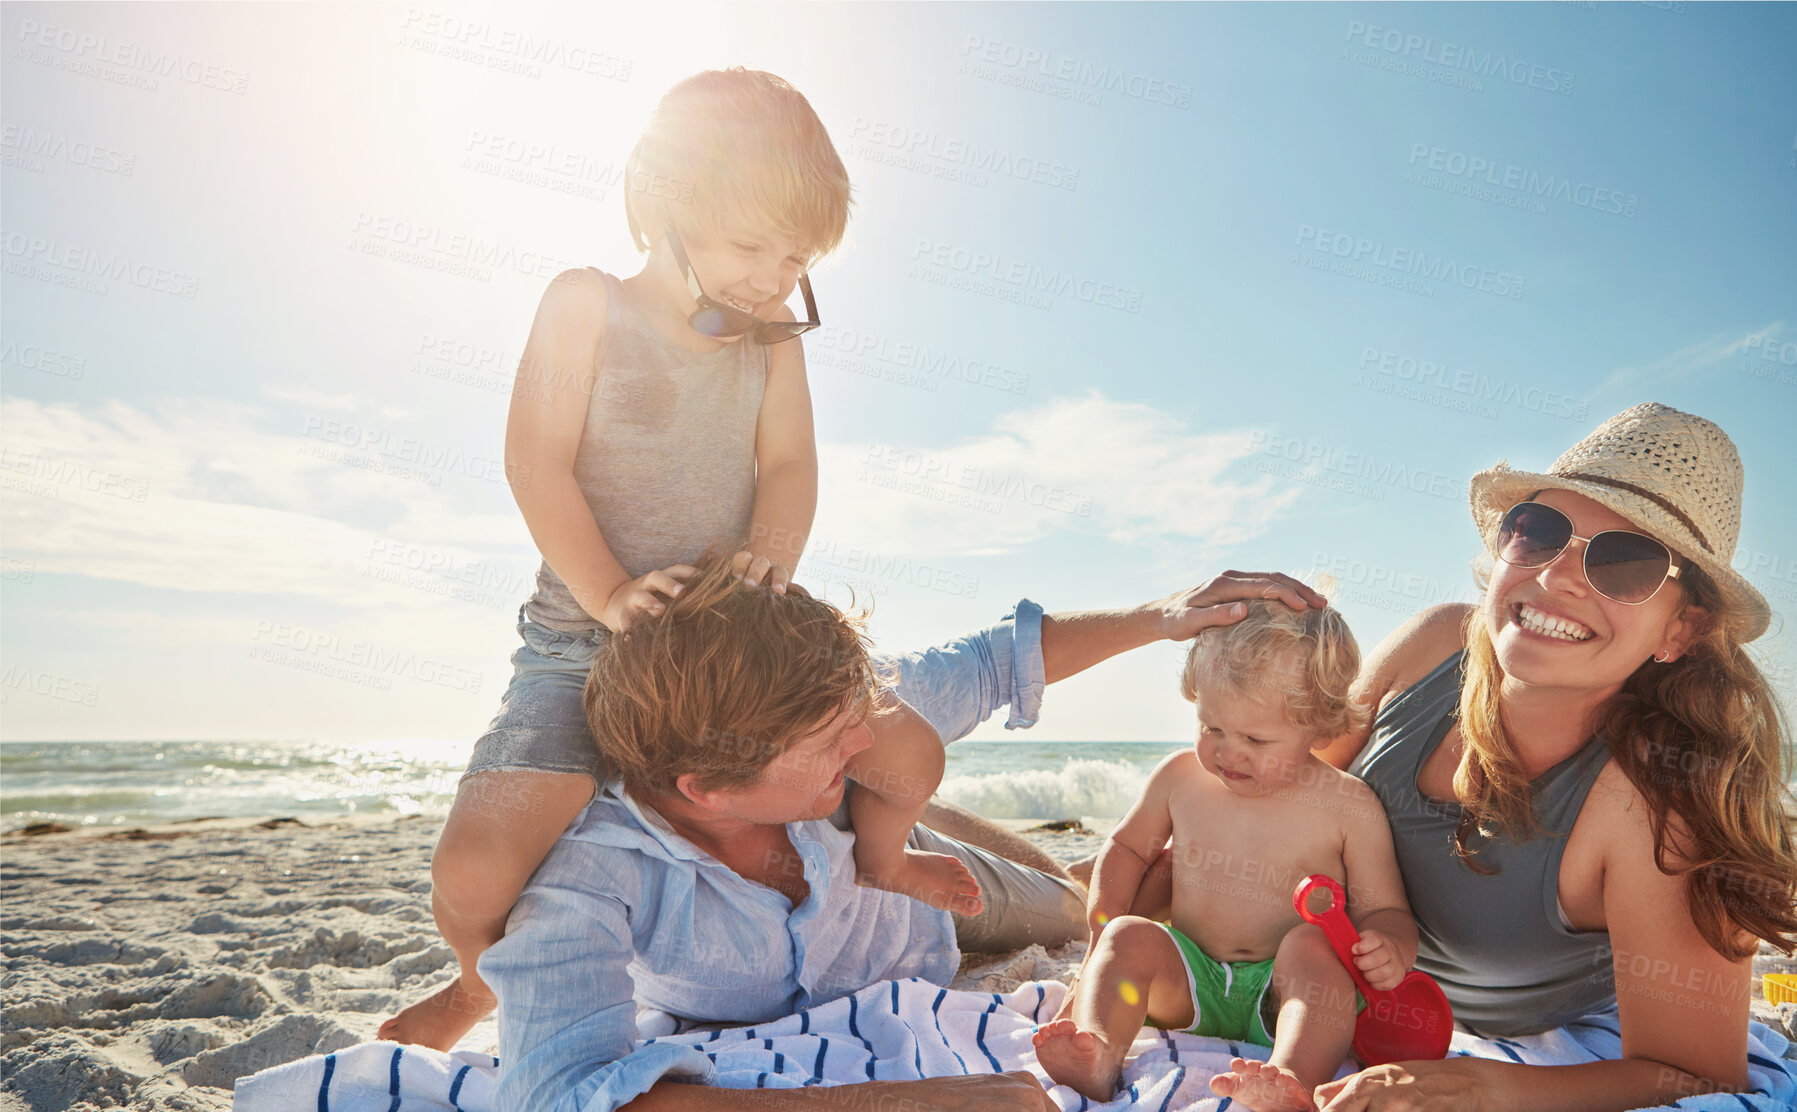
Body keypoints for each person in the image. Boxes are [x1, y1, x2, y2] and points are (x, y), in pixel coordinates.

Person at [479, 560, 1329, 1112]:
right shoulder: (588, 872)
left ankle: (972, 840)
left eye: (859, 721)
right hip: (902, 898)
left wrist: (1164, 613)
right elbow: (557, 1092)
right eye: (828, 748)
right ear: (706, 789)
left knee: (1075, 914)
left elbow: (996, 658)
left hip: (927, 885)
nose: (863, 745)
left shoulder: (840, 711)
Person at [381, 67, 857, 1049]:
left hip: (724, 652)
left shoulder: (772, 345)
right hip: (580, 647)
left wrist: (766, 565)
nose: (773, 277)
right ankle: (487, 983)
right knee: (472, 875)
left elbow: (790, 461)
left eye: (796, 255)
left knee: (890, 760)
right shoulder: (584, 303)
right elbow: (536, 459)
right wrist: (608, 593)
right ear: (666, 206)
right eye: (750, 246)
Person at [1296, 402, 1796, 1110]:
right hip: (1313, 991)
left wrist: (1479, 1085)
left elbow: (1697, 1078)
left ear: (1680, 628)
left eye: (1625, 563)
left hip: (1533, 1049)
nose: (1559, 576)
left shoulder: (1658, 803)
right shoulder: (1432, 645)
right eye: (1537, 531)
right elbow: (1288, 787)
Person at [1033, 598, 1419, 1112]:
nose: (1227, 753)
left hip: (1284, 996)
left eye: (1256, 739)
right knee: (1128, 936)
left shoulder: (1348, 805)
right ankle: (1099, 1052)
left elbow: (1387, 910)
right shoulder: (1181, 779)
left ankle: (1289, 1080)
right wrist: (1105, 918)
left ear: (1321, 728)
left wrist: (1390, 945)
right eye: (1211, 728)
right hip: (1188, 980)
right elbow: (1126, 847)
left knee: (1313, 946)